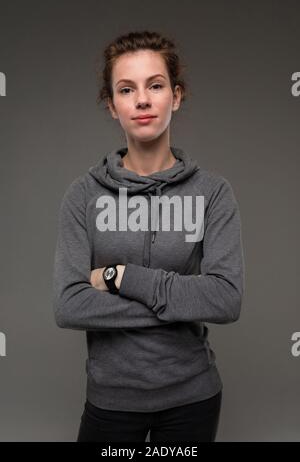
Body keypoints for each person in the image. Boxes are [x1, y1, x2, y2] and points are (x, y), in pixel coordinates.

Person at [52, 30, 245, 443]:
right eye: (126, 89)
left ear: (175, 96)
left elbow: (226, 299)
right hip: (111, 401)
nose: (142, 100)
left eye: (155, 85)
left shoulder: (213, 193)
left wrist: (120, 277)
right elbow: (68, 305)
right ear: (111, 105)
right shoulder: (83, 194)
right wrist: (183, 303)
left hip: (192, 398)